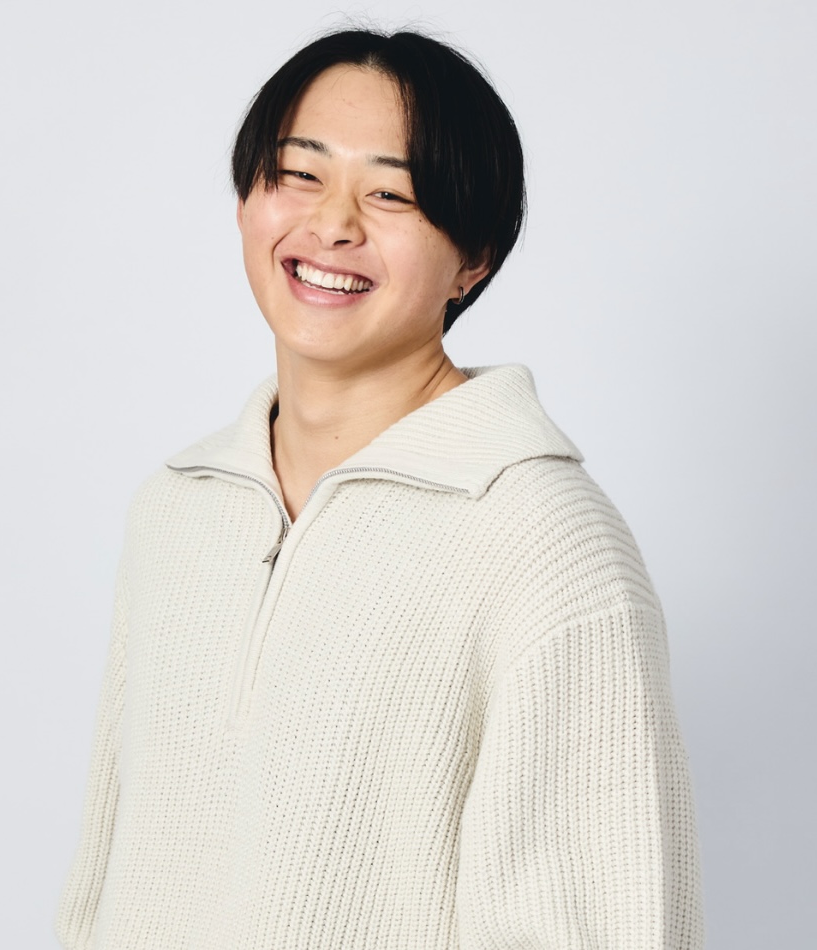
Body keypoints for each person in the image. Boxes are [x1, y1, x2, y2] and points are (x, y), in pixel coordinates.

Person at [55, 27, 704, 950]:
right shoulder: (179, 507)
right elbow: (102, 886)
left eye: (391, 193)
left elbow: (606, 926)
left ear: (474, 257)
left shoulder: (548, 544)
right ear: (247, 200)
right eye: (299, 174)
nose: (334, 224)